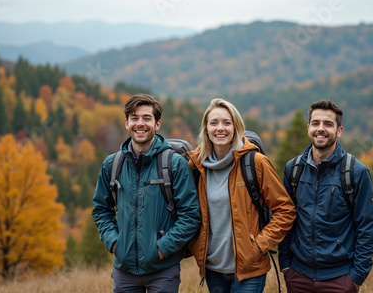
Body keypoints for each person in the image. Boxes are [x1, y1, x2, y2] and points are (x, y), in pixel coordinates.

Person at [92, 93, 201, 293]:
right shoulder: (112, 164)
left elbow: (191, 217)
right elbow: (101, 210)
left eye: (146, 118)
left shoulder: (174, 164)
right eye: (134, 118)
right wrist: (116, 244)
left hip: (163, 269)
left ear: (157, 124)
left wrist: (160, 250)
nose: (139, 124)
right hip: (124, 271)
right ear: (126, 123)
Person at [187, 98, 296, 292]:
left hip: (249, 270)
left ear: (236, 127)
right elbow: (185, 211)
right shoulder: (196, 166)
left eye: (226, 123)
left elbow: (285, 210)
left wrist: (260, 246)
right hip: (213, 269)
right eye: (214, 123)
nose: (220, 128)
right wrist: (195, 246)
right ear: (206, 129)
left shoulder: (255, 163)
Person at [278, 99, 373, 293]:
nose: (320, 129)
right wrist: (286, 266)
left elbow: (367, 228)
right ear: (309, 128)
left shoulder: (356, 172)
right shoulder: (293, 169)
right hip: (298, 275)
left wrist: (355, 278)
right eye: (316, 123)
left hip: (340, 278)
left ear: (339, 131)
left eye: (328, 124)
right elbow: (286, 219)